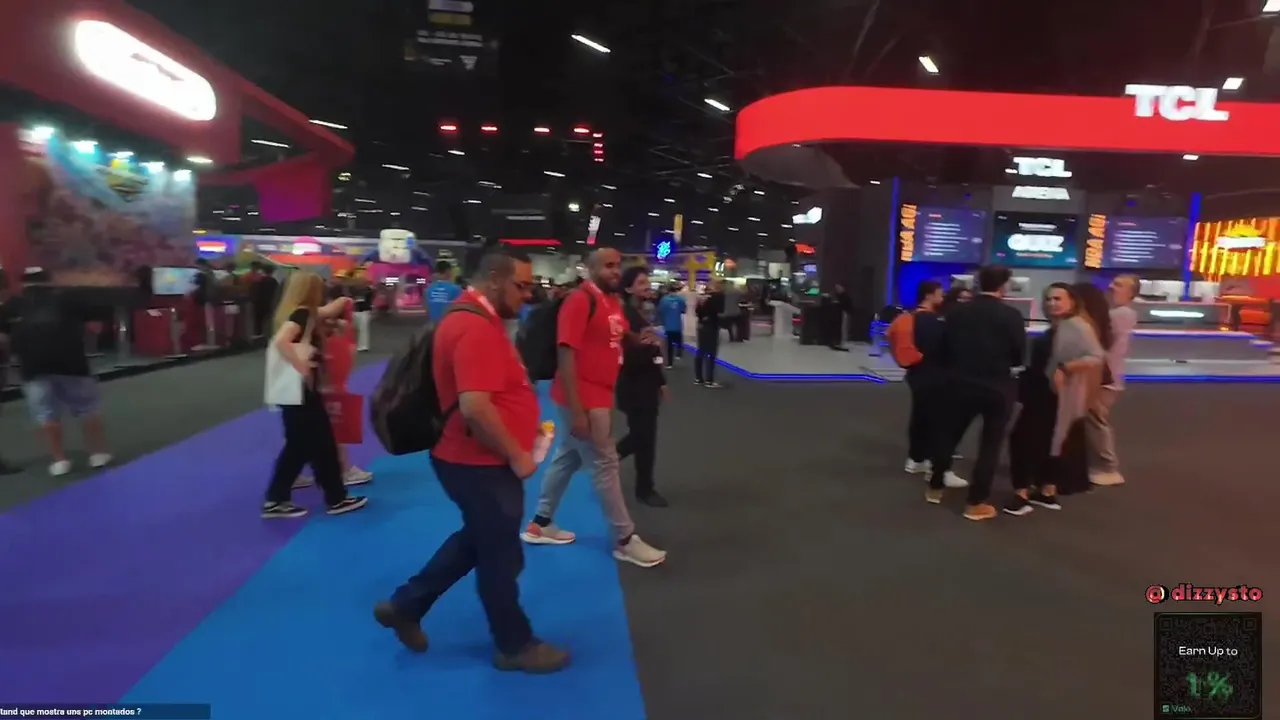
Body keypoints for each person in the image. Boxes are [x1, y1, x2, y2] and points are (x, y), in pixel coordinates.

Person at [373, 250, 570, 673]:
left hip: (473, 459)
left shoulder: (476, 319)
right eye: (521, 285)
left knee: (480, 540)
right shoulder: (473, 326)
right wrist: (517, 453)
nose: (527, 294)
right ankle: (514, 644)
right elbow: (475, 408)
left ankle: (406, 606)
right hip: (477, 462)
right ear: (495, 279)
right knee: (500, 556)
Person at [522, 248, 667, 568]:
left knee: (568, 456)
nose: (615, 271)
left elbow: (615, 335)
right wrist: (577, 411)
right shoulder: (580, 300)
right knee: (605, 464)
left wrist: (637, 339)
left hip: (601, 394)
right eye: (608, 265)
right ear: (590, 269)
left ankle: (540, 522)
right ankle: (625, 540)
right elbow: (566, 353)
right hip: (584, 398)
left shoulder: (611, 302)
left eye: (618, 265)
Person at [261, 271, 368, 519]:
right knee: (318, 445)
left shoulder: (292, 313)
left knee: (302, 446)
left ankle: (320, 496)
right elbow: (283, 341)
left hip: (294, 394)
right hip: (302, 393)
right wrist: (302, 365)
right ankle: (332, 497)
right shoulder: (303, 313)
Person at [926, 265, 1026, 521]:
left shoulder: (956, 312)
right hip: (997, 386)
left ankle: (935, 487)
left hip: (959, 382)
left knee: (949, 435)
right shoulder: (1012, 315)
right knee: (990, 445)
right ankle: (975, 502)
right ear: (1003, 285)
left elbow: (942, 348)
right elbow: (1019, 353)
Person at [0, 268, 109, 476]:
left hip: (32, 366)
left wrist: (17, 351)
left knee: (46, 414)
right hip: (72, 363)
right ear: (49, 281)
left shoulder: (12, 305)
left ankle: (59, 460)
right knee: (87, 408)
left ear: (22, 284)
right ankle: (97, 454)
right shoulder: (69, 298)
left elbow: (3, 338)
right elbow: (95, 326)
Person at [1006, 283, 1081, 515]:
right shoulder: (1060, 332)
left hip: (1050, 397)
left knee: (1024, 440)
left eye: (1058, 299)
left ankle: (1023, 493)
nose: (1052, 303)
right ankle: (1046, 490)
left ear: (1072, 302)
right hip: (1045, 395)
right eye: (1049, 299)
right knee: (1050, 442)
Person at [616, 267, 669, 508]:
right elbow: (626, 356)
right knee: (643, 438)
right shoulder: (624, 317)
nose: (647, 286)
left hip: (646, 384)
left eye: (647, 281)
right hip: (633, 385)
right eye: (641, 282)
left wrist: (661, 380)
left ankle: (643, 485)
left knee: (645, 437)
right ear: (628, 288)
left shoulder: (643, 314)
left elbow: (653, 351)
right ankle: (643, 487)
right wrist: (651, 347)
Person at [903, 280, 962, 487]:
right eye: (940, 293)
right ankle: (936, 467)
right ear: (929, 295)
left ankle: (916, 458)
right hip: (933, 375)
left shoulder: (913, 317)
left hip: (917, 374)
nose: (943, 297)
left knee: (920, 417)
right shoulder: (931, 321)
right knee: (938, 421)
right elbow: (939, 349)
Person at [1088, 274, 1137, 486]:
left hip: (1105, 377)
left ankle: (1108, 466)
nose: (1111, 287)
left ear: (1131, 293)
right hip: (1107, 375)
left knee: (1097, 421)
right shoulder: (1120, 313)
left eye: (1118, 285)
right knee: (1094, 420)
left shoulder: (1120, 314)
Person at [694, 280, 725, 387]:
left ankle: (698, 378)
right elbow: (720, 310)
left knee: (700, 351)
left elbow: (697, 311)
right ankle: (709, 380)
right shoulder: (718, 296)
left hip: (701, 325)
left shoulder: (701, 297)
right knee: (711, 353)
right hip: (712, 326)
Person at [657, 284, 687, 367]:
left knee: (669, 346)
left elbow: (660, 311)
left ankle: (669, 363)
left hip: (668, 325)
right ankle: (679, 354)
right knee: (679, 340)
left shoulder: (663, 300)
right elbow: (683, 310)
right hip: (677, 325)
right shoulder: (680, 300)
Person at [249, 264, 279, 339]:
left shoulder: (258, 280)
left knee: (258, 321)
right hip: (269, 303)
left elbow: (253, 291)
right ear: (272, 272)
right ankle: (268, 335)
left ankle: (257, 335)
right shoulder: (274, 282)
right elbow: (276, 293)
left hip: (258, 304)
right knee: (268, 321)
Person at [352, 278, 374, 352]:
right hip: (355, 311)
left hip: (364, 311)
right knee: (355, 329)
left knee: (363, 329)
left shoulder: (369, 291)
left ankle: (363, 346)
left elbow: (369, 300)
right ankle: (356, 345)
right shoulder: (353, 290)